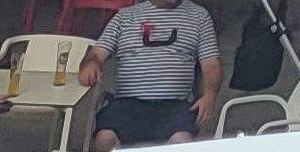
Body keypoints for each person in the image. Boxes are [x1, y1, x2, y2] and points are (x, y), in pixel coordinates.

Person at [78, 0, 220, 139]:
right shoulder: (125, 16)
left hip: (175, 105)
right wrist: (92, 64)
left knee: (181, 140)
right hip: (127, 104)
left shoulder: (199, 16)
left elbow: (211, 64)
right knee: (105, 138)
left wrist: (210, 94)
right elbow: (97, 53)